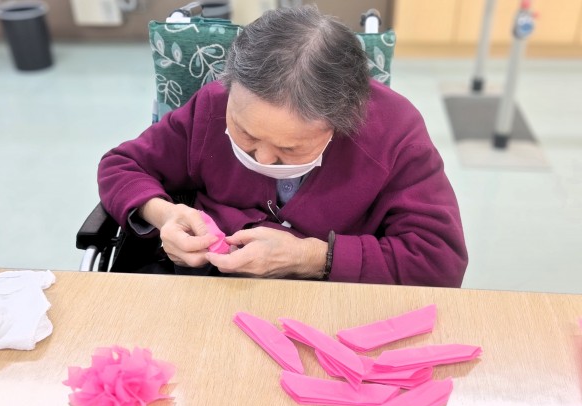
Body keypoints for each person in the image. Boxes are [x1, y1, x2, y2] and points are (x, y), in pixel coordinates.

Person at [98, 6, 468, 287]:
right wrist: (164, 215)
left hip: (332, 300)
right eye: (245, 133)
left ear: (343, 122)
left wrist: (314, 257)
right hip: (209, 288)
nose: (261, 158)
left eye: (289, 149)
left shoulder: (394, 132)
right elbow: (122, 166)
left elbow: (440, 262)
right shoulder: (212, 105)